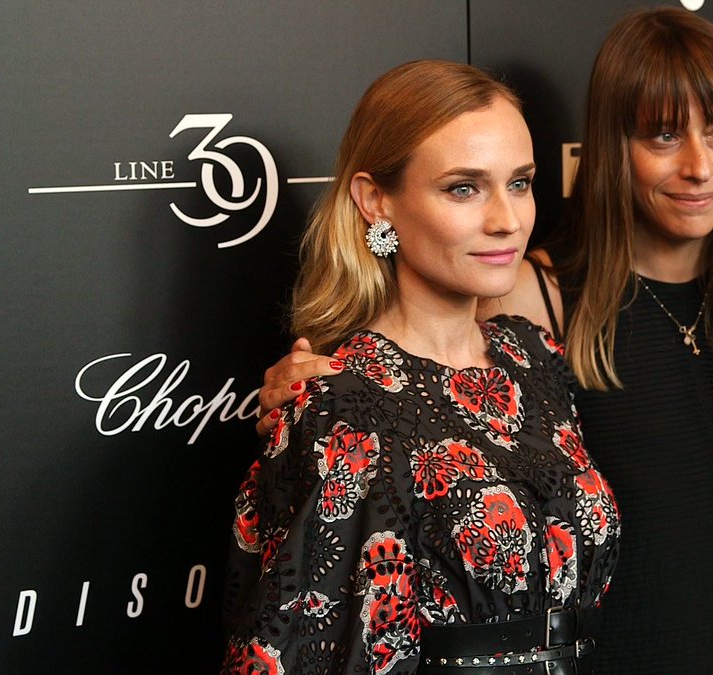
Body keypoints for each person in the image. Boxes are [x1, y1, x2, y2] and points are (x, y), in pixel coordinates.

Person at [255, 8, 713, 674]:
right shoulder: (531, 301)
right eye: (663, 134)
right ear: (611, 146)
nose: (699, 165)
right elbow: (416, 357)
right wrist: (317, 385)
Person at [223, 60, 619, 675]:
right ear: (375, 200)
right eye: (464, 188)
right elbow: (301, 649)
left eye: (519, 183)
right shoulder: (338, 407)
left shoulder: (535, 357)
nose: (507, 219)